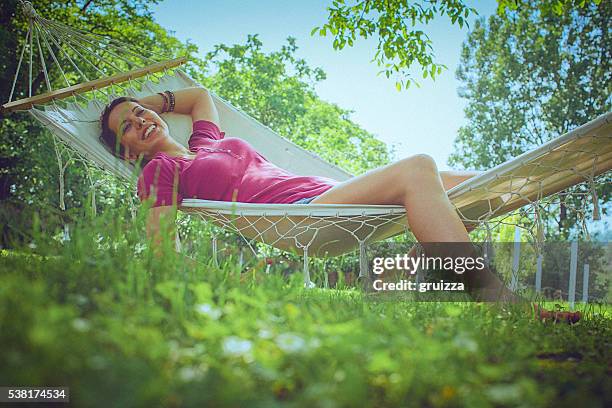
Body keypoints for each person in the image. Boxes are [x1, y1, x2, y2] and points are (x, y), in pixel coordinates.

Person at [98, 87, 574, 314]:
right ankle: (496, 298)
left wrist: (149, 101)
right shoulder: (162, 170)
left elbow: (200, 96)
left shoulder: (204, 143)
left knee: (483, 184)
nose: (141, 122)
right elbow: (161, 247)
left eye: (140, 113)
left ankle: (391, 281)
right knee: (417, 168)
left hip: (325, 198)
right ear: (126, 150)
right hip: (299, 221)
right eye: (128, 127)